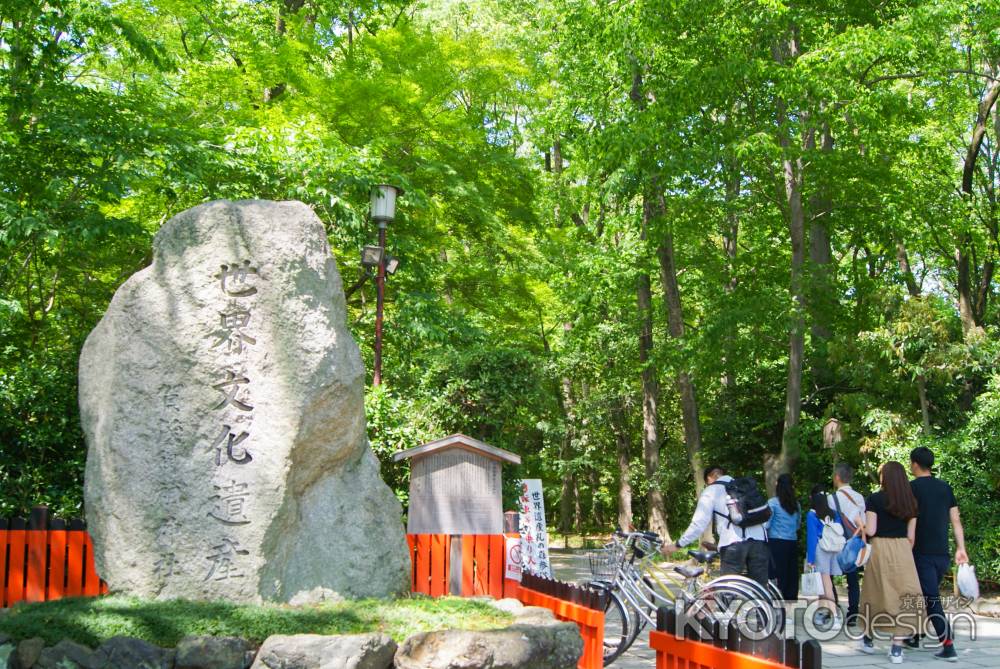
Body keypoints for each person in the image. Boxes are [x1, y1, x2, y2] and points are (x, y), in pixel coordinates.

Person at [904, 446, 967, 663]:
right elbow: (956, 521)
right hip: (942, 553)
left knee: (930, 599)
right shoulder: (945, 487)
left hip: (921, 552)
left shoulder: (911, 488)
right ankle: (916, 634)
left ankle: (948, 645)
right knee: (924, 595)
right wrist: (961, 548)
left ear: (914, 464)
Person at [859, 461, 925, 664]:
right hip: (904, 550)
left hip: (880, 548)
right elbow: (912, 537)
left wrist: (858, 524)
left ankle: (867, 639)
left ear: (884, 478)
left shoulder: (875, 499)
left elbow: (870, 530)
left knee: (875, 591)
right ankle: (897, 648)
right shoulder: (911, 502)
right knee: (906, 595)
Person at [665, 465, 769, 586]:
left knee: (728, 590)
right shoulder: (745, 487)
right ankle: (763, 604)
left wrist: (679, 544)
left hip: (733, 544)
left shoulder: (711, 490)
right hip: (760, 541)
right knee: (760, 589)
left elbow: (698, 524)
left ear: (710, 478)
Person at [829, 463, 866, 626]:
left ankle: (834, 608)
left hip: (836, 543)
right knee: (852, 580)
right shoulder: (859, 497)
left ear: (837, 477)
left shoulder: (831, 499)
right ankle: (853, 614)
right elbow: (863, 523)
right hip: (854, 542)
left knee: (829, 577)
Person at [805, 484, 842, 625]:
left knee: (826, 584)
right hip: (834, 549)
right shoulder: (833, 513)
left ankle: (834, 616)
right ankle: (820, 614)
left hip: (821, 549)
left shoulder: (812, 514)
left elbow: (812, 538)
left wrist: (810, 559)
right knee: (823, 583)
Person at [765, 473, 800, 600]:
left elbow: (766, 524)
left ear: (777, 486)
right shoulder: (796, 505)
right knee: (791, 575)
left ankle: (776, 603)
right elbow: (797, 525)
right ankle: (790, 605)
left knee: (777, 575)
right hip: (792, 542)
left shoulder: (773, 503)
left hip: (776, 542)